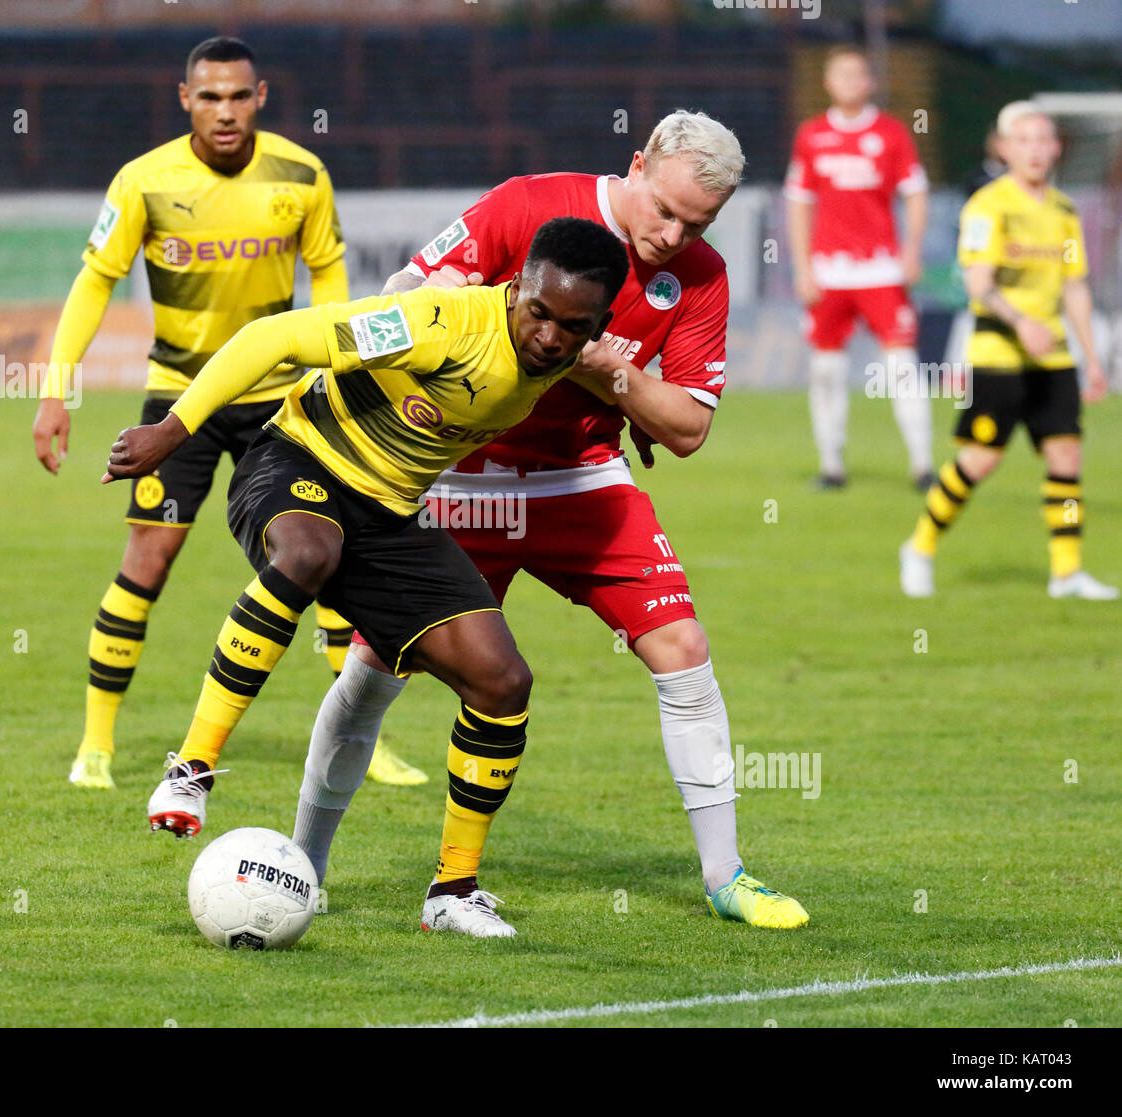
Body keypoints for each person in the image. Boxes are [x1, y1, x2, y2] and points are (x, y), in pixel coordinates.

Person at [291, 110, 809, 931]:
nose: (675, 235)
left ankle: (726, 875)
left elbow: (686, 429)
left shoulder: (702, 278)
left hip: (583, 485)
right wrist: (431, 300)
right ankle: (304, 868)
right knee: (374, 670)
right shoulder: (526, 206)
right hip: (462, 483)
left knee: (684, 648)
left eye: (698, 223)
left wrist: (615, 373)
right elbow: (397, 296)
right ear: (636, 164)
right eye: (666, 210)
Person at [104, 217, 630, 938]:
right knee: (308, 554)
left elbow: (595, 390)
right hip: (296, 463)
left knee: (503, 680)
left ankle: (452, 890)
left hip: (389, 519)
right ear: (517, 288)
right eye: (537, 312)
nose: (547, 336)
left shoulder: (566, 356)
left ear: (595, 326)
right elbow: (275, 339)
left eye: (572, 327)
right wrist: (174, 429)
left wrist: (631, 424)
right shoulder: (438, 323)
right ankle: (189, 770)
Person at [31, 36, 427, 790]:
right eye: (209, 96)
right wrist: (57, 391)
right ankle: (97, 744)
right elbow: (94, 284)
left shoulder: (301, 175)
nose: (224, 111)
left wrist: (345, 376)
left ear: (262, 97)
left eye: (238, 96)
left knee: (329, 558)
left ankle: (360, 744)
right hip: (179, 399)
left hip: (280, 398)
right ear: (185, 100)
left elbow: (331, 277)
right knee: (147, 560)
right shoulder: (144, 181)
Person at [899, 102, 1116, 600]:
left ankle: (1067, 571)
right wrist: (1023, 323)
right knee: (981, 461)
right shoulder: (989, 205)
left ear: (1057, 148)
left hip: (1055, 358)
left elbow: (1075, 287)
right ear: (1005, 148)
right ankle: (920, 545)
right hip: (999, 353)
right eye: (1024, 141)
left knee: (1066, 458)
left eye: (1044, 141)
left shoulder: (1063, 211)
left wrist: (1093, 358)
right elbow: (979, 283)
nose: (1036, 151)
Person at [785, 45, 933, 490]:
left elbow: (916, 193)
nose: (851, 82)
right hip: (829, 272)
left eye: (859, 74)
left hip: (881, 270)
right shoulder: (811, 135)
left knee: (903, 367)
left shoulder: (890, 134)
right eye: (842, 75)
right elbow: (798, 205)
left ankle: (923, 467)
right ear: (829, 83)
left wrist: (911, 252)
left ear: (869, 82)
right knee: (826, 370)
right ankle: (832, 466)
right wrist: (802, 267)